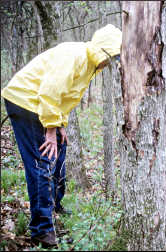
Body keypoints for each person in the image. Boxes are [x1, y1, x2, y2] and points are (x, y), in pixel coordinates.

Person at [1, 24, 122, 248]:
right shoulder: (74, 56)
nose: (110, 63)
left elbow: (65, 96)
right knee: (41, 163)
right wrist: (50, 128)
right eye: (111, 56)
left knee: (60, 151)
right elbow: (50, 91)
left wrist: (60, 124)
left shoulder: (89, 64)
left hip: (41, 106)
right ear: (103, 50)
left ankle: (54, 207)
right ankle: (42, 230)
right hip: (25, 101)